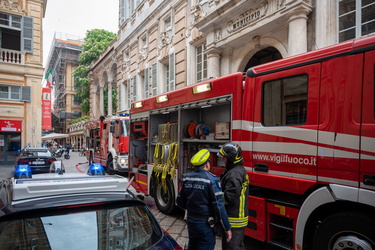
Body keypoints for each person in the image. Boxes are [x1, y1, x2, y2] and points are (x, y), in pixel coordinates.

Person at [176, 149, 232, 250]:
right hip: (205, 225)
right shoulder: (212, 180)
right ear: (207, 164)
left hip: (191, 222)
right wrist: (227, 228)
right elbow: (219, 207)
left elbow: (180, 201)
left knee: (192, 246)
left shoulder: (186, 178)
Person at [217, 142, 249, 250]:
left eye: (224, 157)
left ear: (230, 158)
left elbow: (229, 197)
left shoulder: (234, 174)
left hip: (234, 219)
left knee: (230, 247)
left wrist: (216, 195)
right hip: (239, 218)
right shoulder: (240, 170)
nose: (223, 160)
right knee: (238, 246)